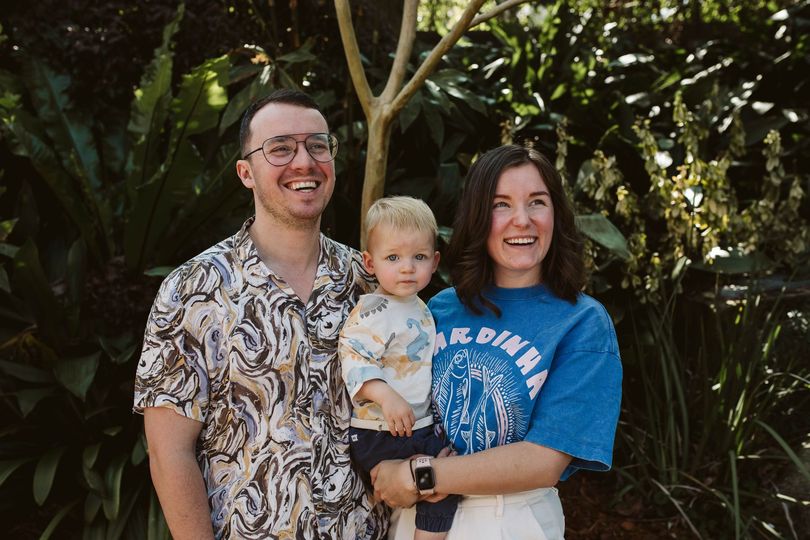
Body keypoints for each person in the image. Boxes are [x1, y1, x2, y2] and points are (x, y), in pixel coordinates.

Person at [133, 89, 387, 539]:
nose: (304, 162)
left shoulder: (369, 282)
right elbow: (169, 451)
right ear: (246, 172)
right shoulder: (193, 289)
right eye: (281, 148)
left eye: (317, 145)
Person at [372, 145, 623, 539]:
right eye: (501, 204)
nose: (521, 220)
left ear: (555, 213)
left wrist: (421, 475)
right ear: (477, 216)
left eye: (536, 202)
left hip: (511, 518)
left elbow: (544, 460)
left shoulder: (582, 322)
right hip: (415, 520)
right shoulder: (438, 308)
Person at [339, 196, 459, 540]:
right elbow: (354, 356)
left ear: (434, 262)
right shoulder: (373, 310)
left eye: (418, 257)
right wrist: (386, 396)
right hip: (379, 432)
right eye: (393, 257)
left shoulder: (420, 306)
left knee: (444, 480)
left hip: (414, 430)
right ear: (370, 262)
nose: (407, 267)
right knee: (439, 482)